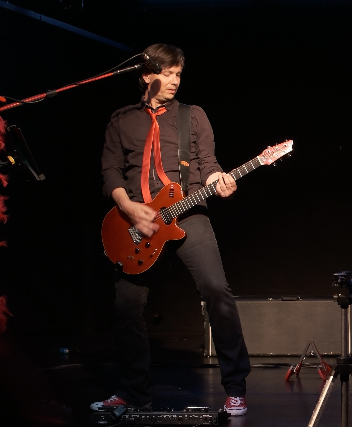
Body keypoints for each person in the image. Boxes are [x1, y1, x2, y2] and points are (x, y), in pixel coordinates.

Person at [95, 43, 251, 416]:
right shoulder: (121, 119)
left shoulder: (192, 116)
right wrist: (129, 207)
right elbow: (111, 172)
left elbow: (209, 164)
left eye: (179, 74)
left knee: (217, 290)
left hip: (187, 213)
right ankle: (134, 392)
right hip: (136, 222)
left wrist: (220, 180)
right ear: (146, 75)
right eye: (167, 73)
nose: (174, 81)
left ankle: (236, 388)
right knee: (127, 306)